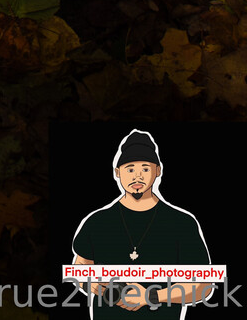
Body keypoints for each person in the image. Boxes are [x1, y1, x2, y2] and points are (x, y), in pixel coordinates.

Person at [69, 130, 215, 314]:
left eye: (145, 169)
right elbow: (79, 268)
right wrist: (89, 284)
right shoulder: (96, 222)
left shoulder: (182, 224)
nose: (137, 176)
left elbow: (203, 285)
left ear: (158, 171)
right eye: (130, 169)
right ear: (117, 172)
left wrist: (149, 297)